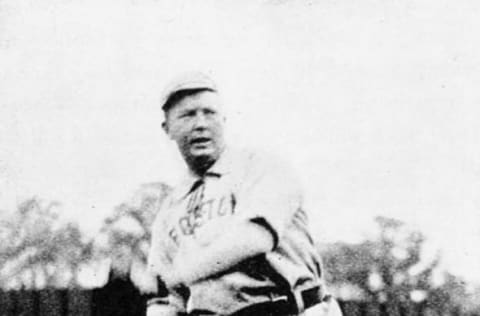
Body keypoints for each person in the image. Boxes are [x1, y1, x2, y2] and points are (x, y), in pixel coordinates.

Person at [147, 72, 342, 316]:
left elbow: (254, 239)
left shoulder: (261, 167)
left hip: (291, 309)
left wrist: (182, 272)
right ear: (168, 129)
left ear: (224, 119)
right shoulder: (168, 211)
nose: (201, 124)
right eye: (187, 115)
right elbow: (164, 299)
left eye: (210, 113)